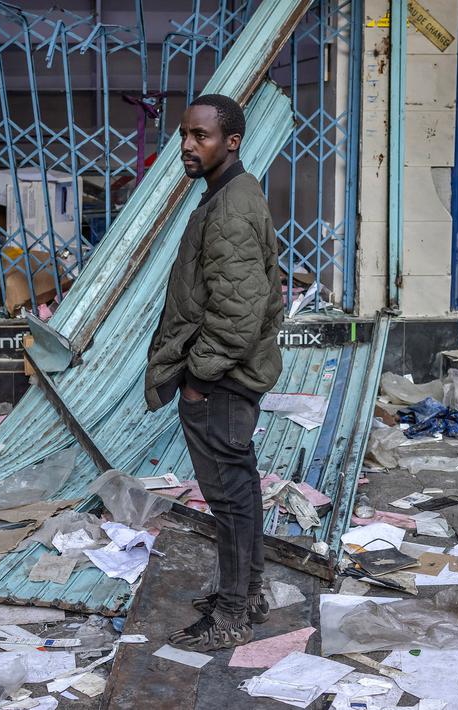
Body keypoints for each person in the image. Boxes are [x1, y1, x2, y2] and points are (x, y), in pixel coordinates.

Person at [143, 93, 284, 651]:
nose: (186, 146)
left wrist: (199, 377)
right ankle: (247, 593)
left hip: (221, 382)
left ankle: (232, 617)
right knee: (240, 492)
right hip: (227, 377)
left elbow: (240, 312)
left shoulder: (231, 206)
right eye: (183, 134)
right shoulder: (229, 195)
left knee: (228, 499)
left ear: (231, 141)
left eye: (199, 136)